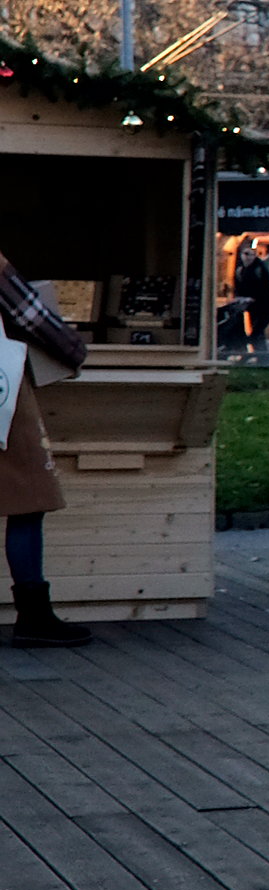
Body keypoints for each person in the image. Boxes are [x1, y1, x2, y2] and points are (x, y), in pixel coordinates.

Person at [0, 250, 93, 647]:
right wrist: (74, 352)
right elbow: (29, 316)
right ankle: (34, 616)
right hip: (3, 396)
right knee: (26, 499)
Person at [233, 239, 269, 360]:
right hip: (252, 307)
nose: (246, 257)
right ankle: (263, 358)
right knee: (258, 334)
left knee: (256, 332)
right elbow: (240, 287)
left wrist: (253, 298)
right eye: (244, 254)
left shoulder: (259, 269)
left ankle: (248, 357)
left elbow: (266, 287)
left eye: (249, 254)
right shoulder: (241, 270)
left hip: (264, 306)